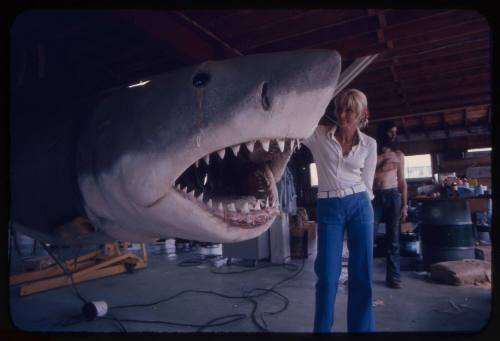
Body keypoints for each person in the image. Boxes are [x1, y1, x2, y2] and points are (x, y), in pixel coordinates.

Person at [303, 88, 377, 333]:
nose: (342, 115)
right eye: (339, 109)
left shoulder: (370, 144)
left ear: (361, 115)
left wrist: (360, 205)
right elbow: (294, 126)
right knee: (327, 275)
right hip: (329, 207)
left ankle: (362, 331)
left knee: (362, 275)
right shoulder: (318, 135)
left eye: (349, 110)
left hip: (360, 205)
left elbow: (368, 183)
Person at [372, 120, 408, 289]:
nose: (394, 136)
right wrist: (381, 162)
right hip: (374, 196)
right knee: (367, 237)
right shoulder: (372, 153)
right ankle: (361, 276)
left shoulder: (399, 155)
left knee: (393, 239)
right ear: (382, 134)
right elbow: (364, 174)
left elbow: (402, 181)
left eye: (395, 132)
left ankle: (393, 278)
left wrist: (405, 205)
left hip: (394, 196)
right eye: (390, 132)